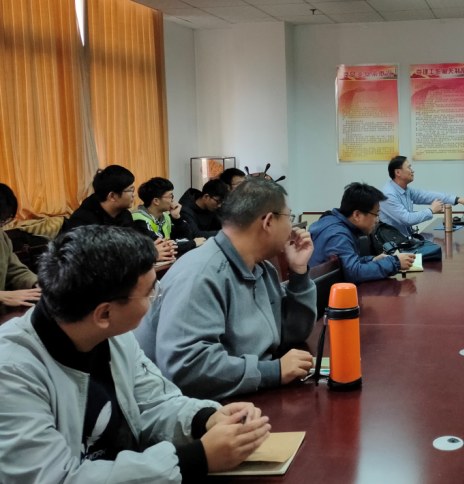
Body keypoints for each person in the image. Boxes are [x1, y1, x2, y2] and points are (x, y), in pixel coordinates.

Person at [0, 226, 271, 482]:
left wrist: (205, 419)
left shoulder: (112, 334)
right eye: (150, 292)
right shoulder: (11, 370)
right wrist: (195, 459)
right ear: (104, 313)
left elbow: (152, 402)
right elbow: (54, 478)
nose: (156, 297)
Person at [134, 177, 317, 400]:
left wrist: (298, 272)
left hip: (246, 395)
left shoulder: (260, 268)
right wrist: (273, 371)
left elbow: (292, 333)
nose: (292, 227)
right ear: (268, 222)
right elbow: (187, 368)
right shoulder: (200, 274)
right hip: (205, 408)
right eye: (289, 217)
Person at [309, 182, 416, 283]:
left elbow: (347, 263)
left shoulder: (336, 223)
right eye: (376, 214)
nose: (377, 220)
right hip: (323, 295)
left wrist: (372, 260)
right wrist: (395, 263)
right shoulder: (337, 234)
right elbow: (353, 273)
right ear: (357, 215)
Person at [64, 166, 174, 263]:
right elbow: (99, 259)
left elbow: (136, 244)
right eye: (130, 190)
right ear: (112, 196)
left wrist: (161, 247)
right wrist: (148, 255)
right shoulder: (83, 221)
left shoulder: (124, 215)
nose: (134, 195)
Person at [380, 156, 464, 237]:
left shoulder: (406, 190)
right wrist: (431, 210)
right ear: (398, 172)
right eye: (409, 167)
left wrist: (459, 200)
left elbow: (427, 196)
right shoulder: (388, 194)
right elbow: (407, 219)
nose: (412, 171)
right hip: (393, 245)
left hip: (406, 239)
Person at [131, 178, 205, 258]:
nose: (173, 200)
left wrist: (177, 218)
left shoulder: (165, 217)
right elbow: (163, 247)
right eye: (171, 196)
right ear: (156, 201)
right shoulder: (138, 219)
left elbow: (186, 238)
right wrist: (193, 243)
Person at [0, 183, 40, 309]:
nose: (1, 226)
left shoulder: (1, 237)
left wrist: (36, 284)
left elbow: (15, 271)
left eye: (3, 221)